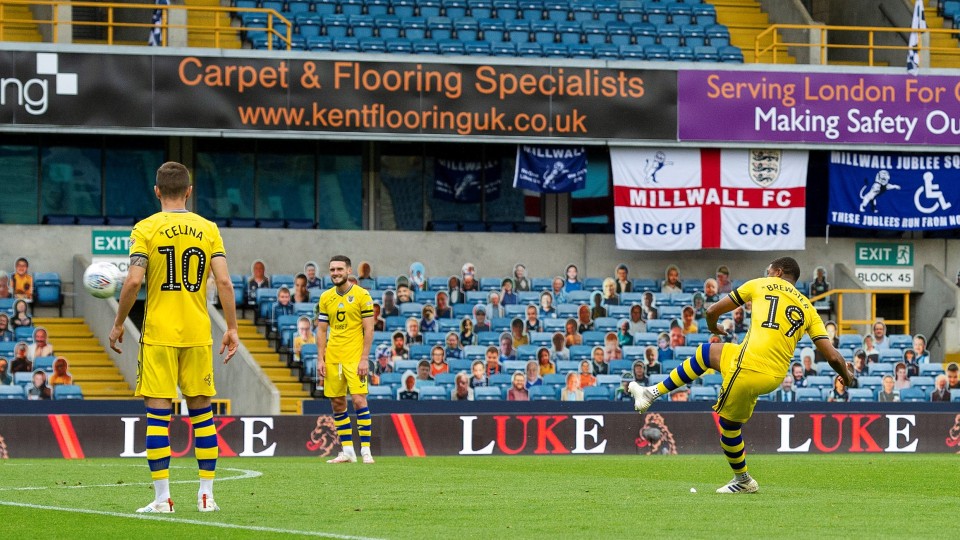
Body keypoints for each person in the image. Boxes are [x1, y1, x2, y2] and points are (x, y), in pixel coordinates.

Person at [628, 256, 852, 494]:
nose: (767, 274)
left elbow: (712, 310)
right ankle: (650, 392)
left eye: (769, 271)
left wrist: (714, 326)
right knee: (708, 353)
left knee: (728, 427)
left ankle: (743, 480)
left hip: (748, 367)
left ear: (777, 272)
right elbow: (833, 357)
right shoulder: (808, 307)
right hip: (774, 375)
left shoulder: (760, 284)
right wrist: (847, 377)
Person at [107, 162, 240, 513]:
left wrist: (119, 322)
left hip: (159, 335)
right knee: (203, 416)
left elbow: (133, 281)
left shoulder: (145, 228)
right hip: (198, 334)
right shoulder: (208, 228)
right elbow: (224, 282)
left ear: (156, 192)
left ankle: (163, 498)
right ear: (189, 191)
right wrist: (232, 328)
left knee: (157, 417)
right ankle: (207, 496)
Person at [314, 255, 376, 465]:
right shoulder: (326, 297)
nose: (335, 273)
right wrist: (320, 359)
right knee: (338, 403)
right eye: (332, 270)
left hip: (354, 358)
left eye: (339, 269)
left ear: (349, 271)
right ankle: (348, 451)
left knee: (359, 400)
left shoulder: (362, 295)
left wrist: (365, 358)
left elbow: (369, 328)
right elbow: (321, 330)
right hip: (333, 358)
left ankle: (366, 450)